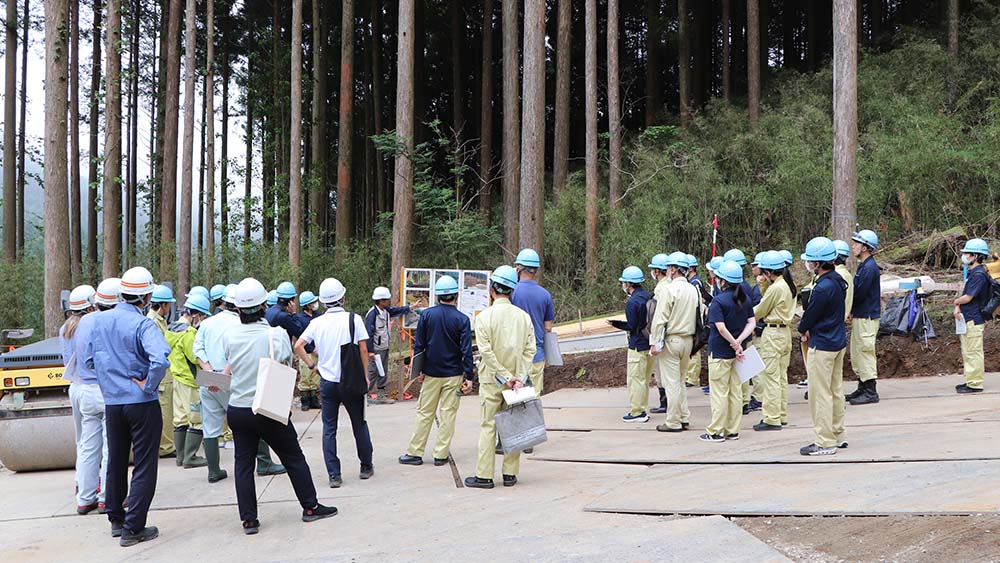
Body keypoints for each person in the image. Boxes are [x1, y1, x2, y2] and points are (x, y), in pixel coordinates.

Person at [224, 278, 338, 535]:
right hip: (267, 408)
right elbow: (285, 364)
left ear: (239, 308)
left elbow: (228, 367)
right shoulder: (274, 334)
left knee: (243, 465)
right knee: (293, 457)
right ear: (264, 305)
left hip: (238, 410)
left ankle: (249, 520)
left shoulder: (230, 335)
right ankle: (310, 507)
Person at [86, 267, 171, 547]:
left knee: (116, 460)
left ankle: (116, 519)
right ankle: (133, 527)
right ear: (146, 297)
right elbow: (159, 360)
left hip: (113, 403)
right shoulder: (143, 324)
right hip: (141, 403)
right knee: (145, 464)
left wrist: (110, 379)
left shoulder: (98, 322)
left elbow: (88, 361)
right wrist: (147, 384)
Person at [295, 278, 374, 489]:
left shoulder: (317, 323)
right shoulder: (354, 319)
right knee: (359, 423)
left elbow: (299, 345)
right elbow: (363, 350)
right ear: (343, 298)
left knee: (329, 428)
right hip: (351, 381)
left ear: (321, 302)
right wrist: (365, 376)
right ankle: (366, 466)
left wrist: (313, 366)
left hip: (328, 383)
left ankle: (334, 475)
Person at [465, 266, 536, 489]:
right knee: (513, 425)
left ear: (492, 289)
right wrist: (519, 377)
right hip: (517, 382)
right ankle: (510, 474)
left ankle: (484, 475)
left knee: (488, 426)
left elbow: (486, 352)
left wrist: (505, 376)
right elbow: (530, 350)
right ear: (512, 291)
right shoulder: (523, 317)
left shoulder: (484, 317)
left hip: (492, 380)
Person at [398, 275, 475, 465]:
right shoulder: (463, 320)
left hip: (431, 373)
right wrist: (470, 376)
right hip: (454, 375)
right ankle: (441, 454)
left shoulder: (427, 315)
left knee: (425, 413)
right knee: (448, 414)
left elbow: (420, 346)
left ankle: (415, 453)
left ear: (437, 296)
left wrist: (418, 371)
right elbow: (466, 350)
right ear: (456, 295)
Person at [797, 237, 849, 456]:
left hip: (823, 344)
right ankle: (837, 434)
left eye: (810, 261)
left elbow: (809, 317)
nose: (808, 264)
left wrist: (802, 327)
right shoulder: (838, 280)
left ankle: (824, 441)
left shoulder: (822, 287)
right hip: (837, 341)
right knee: (835, 390)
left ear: (818, 263)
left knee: (820, 394)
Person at [61, 284, 108, 516]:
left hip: (78, 389)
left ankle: (84, 496)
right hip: (99, 389)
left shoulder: (65, 329)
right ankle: (107, 497)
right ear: (92, 304)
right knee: (110, 446)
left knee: (86, 445)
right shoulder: (95, 324)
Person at [701, 261, 756, 442]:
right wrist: (739, 343)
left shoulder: (718, 301)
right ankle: (732, 430)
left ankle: (716, 430)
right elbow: (751, 323)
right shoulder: (744, 299)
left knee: (719, 392)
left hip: (719, 353)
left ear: (722, 281)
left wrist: (734, 343)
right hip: (737, 354)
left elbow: (721, 329)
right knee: (735, 391)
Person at [193, 284, 241, 484]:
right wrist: (223, 374)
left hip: (208, 379)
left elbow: (198, 350)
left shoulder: (208, 323)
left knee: (210, 426)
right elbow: (239, 351)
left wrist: (210, 373)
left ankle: (213, 470)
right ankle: (263, 462)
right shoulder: (240, 324)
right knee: (247, 421)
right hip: (232, 379)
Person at [650, 252, 700, 433]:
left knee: (671, 383)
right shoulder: (693, 290)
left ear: (672, 269)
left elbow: (659, 319)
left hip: (672, 340)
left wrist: (654, 342)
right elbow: (699, 316)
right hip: (688, 340)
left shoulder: (669, 290)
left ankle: (673, 421)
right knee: (680, 380)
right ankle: (684, 416)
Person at [164, 293, 213, 469]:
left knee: (180, 418)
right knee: (197, 418)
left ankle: (181, 456)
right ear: (195, 314)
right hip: (192, 381)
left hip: (176, 378)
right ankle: (191, 457)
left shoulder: (170, 329)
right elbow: (195, 357)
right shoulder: (189, 333)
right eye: (203, 316)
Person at [752, 251, 797, 431]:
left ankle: (771, 417)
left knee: (770, 377)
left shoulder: (775, 288)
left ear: (769, 272)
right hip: (784, 333)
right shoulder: (786, 285)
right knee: (781, 376)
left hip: (773, 333)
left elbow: (760, 310)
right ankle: (781, 413)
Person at [608, 266, 655, 423]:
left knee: (635, 379)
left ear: (628, 284)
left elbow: (632, 326)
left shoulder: (632, 302)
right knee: (645, 379)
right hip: (650, 343)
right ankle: (642, 408)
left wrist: (616, 324)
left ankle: (637, 412)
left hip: (637, 345)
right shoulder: (648, 296)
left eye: (624, 282)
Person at [511, 248, 556, 395]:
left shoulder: (512, 292)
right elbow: (548, 328)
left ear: (519, 268)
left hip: (515, 355)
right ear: (535, 270)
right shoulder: (545, 295)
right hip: (537, 355)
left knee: (515, 398)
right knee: (533, 398)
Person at [725, 248, 763, 414]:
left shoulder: (740, 288)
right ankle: (744, 400)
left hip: (739, 334)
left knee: (743, 369)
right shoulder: (744, 285)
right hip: (744, 333)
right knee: (745, 369)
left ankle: (743, 401)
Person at [846, 230, 881, 405]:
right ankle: (862, 386)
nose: (853, 246)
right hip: (861, 315)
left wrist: (849, 307)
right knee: (858, 352)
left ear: (865, 247)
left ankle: (870, 391)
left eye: (856, 244)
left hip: (867, 317)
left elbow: (859, 293)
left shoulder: (869, 267)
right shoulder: (864, 266)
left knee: (865, 352)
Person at [364, 286, 415, 404]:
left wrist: (410, 307)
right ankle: (365, 394)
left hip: (384, 346)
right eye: (386, 300)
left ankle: (381, 394)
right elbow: (369, 334)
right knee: (373, 371)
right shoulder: (372, 314)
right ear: (381, 301)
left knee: (383, 371)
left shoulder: (385, 311)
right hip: (376, 349)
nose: (388, 302)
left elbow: (396, 311)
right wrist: (370, 351)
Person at [954, 238, 992, 394]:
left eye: (968, 254)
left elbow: (968, 297)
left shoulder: (979, 275)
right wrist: (958, 306)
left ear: (976, 256)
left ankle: (975, 383)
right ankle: (970, 380)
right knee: (968, 351)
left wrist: (956, 301)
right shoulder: (974, 273)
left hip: (974, 319)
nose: (965, 256)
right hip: (968, 317)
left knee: (973, 352)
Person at [148, 284, 176, 459]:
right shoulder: (152, 322)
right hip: (161, 376)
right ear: (163, 305)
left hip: (166, 374)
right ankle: (165, 447)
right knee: (164, 411)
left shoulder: (159, 321)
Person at [647, 254, 672, 411]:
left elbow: (658, 317)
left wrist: (655, 341)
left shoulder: (661, 288)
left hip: (663, 336)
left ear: (657, 271)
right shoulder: (672, 285)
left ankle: (665, 403)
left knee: (661, 372)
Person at [294, 291, 322, 411]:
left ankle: (314, 400)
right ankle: (305, 401)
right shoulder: (299, 318)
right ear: (307, 305)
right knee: (305, 376)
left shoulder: (319, 316)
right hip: (305, 351)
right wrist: (311, 349)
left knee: (315, 377)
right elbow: (300, 336)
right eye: (312, 302)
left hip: (318, 350)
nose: (315, 304)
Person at [685, 254, 707, 388]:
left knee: (695, 348)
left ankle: (693, 377)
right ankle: (689, 375)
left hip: (696, 318)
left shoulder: (695, 282)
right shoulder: (690, 282)